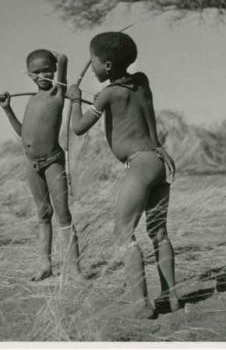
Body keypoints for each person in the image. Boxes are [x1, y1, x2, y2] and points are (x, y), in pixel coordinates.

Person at [66, 32, 179, 318]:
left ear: (105, 65)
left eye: (92, 62)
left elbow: (78, 127)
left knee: (123, 234)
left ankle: (141, 304)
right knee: (159, 234)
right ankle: (171, 296)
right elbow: (125, 98)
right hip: (156, 160)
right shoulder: (141, 81)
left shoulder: (107, 95)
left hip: (139, 166)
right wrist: (98, 97)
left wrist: (76, 100)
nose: (90, 68)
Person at [0, 49, 83, 282]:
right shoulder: (32, 100)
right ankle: (45, 264)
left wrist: (60, 58)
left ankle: (74, 269)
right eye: (36, 72)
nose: (42, 75)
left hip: (52, 162)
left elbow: (64, 60)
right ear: (28, 74)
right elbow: (22, 133)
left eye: (47, 69)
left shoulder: (58, 93)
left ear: (54, 70)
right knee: (43, 214)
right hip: (32, 164)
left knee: (63, 214)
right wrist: (7, 109)